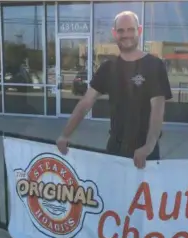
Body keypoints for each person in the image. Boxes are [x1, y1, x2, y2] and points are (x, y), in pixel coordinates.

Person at [56, 11, 172, 169]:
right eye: (121, 31)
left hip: (145, 153)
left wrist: (149, 146)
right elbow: (85, 103)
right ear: (114, 33)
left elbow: (157, 110)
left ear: (139, 30)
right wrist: (65, 134)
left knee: (144, 194)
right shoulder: (107, 68)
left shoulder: (154, 65)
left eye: (131, 29)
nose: (126, 35)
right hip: (115, 149)